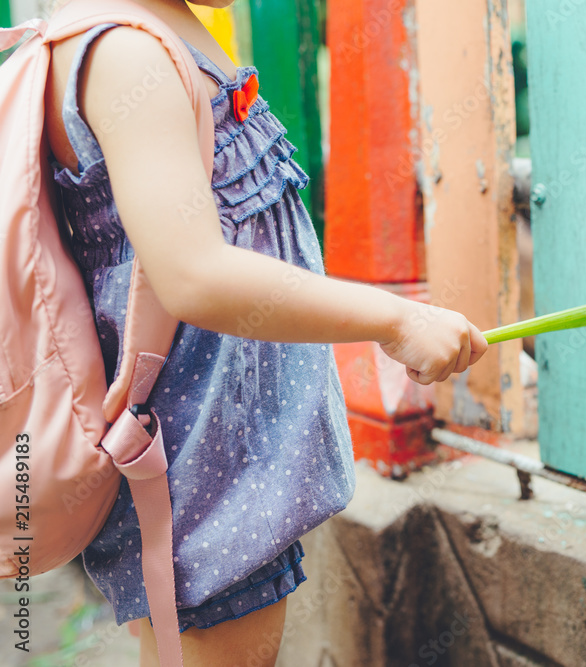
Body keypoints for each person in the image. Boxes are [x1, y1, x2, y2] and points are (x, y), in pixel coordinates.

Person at [43, 0, 488, 664]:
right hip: (202, 472)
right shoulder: (127, 55)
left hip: (224, 457)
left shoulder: (150, 29)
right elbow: (193, 274)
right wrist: (398, 319)